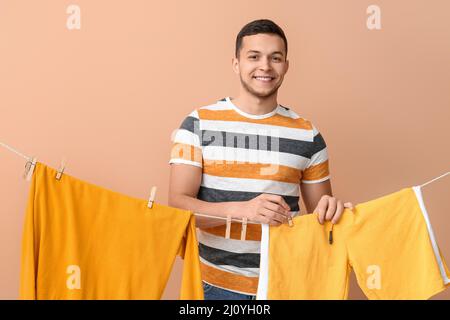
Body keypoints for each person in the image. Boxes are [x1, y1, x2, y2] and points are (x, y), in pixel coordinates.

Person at [168, 19, 353, 300]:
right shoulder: (197, 124)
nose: (265, 66)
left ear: (286, 66)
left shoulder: (308, 135)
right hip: (216, 286)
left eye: (275, 58)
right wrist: (243, 211)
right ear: (236, 63)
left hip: (288, 282)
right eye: (254, 56)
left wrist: (334, 211)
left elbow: (321, 222)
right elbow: (179, 210)